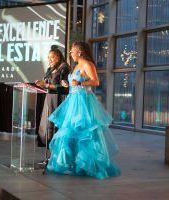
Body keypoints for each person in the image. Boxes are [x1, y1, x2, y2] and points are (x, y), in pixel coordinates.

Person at [46, 41, 121, 179]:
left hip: (83, 102)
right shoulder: (76, 66)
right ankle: (72, 162)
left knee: (85, 132)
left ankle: (87, 164)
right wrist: (67, 84)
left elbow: (95, 81)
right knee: (70, 131)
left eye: (72, 51)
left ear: (79, 52)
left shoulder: (87, 64)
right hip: (73, 100)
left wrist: (80, 83)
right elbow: (74, 83)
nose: (70, 54)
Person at [35, 45, 70, 147]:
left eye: (52, 57)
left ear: (58, 57)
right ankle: (49, 147)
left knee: (57, 125)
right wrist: (41, 83)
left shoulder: (64, 68)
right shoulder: (51, 68)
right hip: (50, 98)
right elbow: (47, 82)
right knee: (48, 124)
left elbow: (64, 87)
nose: (49, 59)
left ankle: (57, 149)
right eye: (48, 57)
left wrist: (46, 85)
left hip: (60, 99)